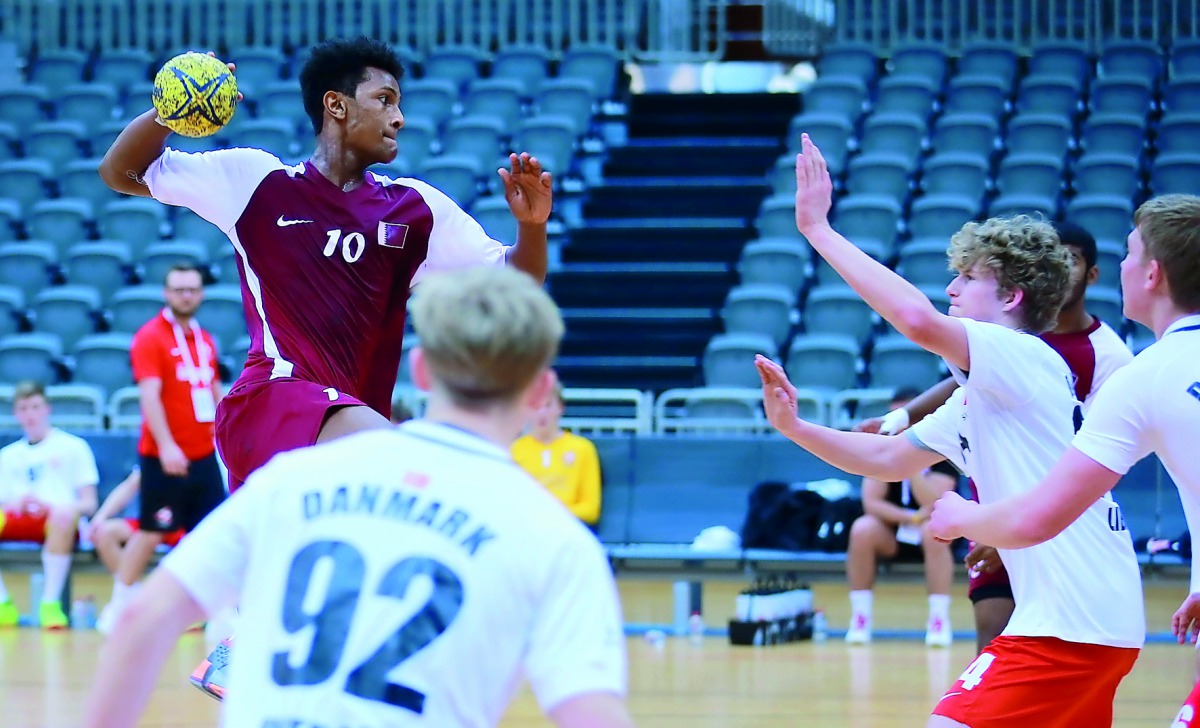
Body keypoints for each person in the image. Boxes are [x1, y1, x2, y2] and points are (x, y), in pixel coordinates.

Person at [99, 36, 551, 697]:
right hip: (275, 400)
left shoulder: (415, 210)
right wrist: (169, 111)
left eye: (402, 103)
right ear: (336, 106)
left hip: (344, 420)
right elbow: (121, 173)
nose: (399, 117)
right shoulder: (256, 181)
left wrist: (532, 230)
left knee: (367, 550)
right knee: (408, 472)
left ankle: (248, 647)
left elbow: (518, 286)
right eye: (385, 100)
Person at [84, 266, 633, 728]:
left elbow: (140, 622)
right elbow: (591, 712)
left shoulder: (293, 479)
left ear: (419, 371)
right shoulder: (554, 537)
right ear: (541, 392)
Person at [757, 134, 1143, 727]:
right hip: (1089, 614)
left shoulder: (1019, 354)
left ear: (1012, 296)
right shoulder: (982, 395)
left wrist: (819, 230)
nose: (952, 290)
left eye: (967, 277)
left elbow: (914, 319)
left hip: (1072, 621)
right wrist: (794, 426)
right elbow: (884, 461)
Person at [926, 193, 1200, 724]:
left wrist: (963, 517)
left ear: (1153, 275)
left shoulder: (1138, 374)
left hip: (1077, 614)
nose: (1120, 267)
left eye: (1129, 253)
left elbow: (1044, 512)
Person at [857, 220, 1134, 652]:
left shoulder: (1098, 354)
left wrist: (818, 230)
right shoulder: (1000, 352)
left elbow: (1099, 458)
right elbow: (945, 404)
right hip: (1003, 506)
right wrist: (900, 416)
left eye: (1073, 258)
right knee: (993, 632)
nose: (953, 289)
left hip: (1058, 519)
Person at [95, 265, 227, 633]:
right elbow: (149, 397)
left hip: (203, 454)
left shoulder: (205, 339)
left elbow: (212, 389)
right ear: (166, 293)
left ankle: (216, 613)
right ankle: (120, 605)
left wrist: (227, 433)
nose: (186, 295)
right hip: (164, 457)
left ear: (201, 294)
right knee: (151, 530)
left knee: (210, 532)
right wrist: (168, 446)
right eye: (179, 289)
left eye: (193, 289)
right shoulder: (150, 337)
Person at [843, 388, 960, 647]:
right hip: (895, 530)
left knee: (934, 531)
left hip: (934, 533)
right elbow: (872, 502)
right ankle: (860, 617)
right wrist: (910, 518)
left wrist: (913, 464)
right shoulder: (883, 447)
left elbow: (936, 502)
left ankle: (938, 620)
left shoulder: (943, 449)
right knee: (862, 528)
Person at [0, 381, 99, 629]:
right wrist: (17, 502)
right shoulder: (8, 455)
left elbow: (89, 503)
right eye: (23, 408)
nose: (30, 414)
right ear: (16, 413)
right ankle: (3, 604)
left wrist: (60, 507)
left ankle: (50, 605)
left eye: (35, 407)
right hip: (18, 518)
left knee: (64, 514)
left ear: (47, 409)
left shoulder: (73, 446)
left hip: (59, 521)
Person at [511, 380, 602, 528]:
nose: (541, 413)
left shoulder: (582, 448)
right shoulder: (513, 450)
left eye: (547, 406)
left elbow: (591, 510)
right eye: (535, 407)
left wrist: (552, 515)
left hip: (569, 530)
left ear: (560, 408)